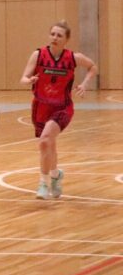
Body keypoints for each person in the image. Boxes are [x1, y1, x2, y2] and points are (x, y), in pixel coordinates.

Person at [19, 20, 97, 200]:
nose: (54, 37)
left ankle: (43, 183)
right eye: (52, 34)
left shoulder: (73, 58)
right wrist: (28, 81)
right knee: (49, 144)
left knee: (45, 140)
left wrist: (85, 84)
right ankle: (55, 175)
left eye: (59, 35)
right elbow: (23, 78)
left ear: (66, 40)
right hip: (40, 106)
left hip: (62, 107)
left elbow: (93, 67)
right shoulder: (38, 55)